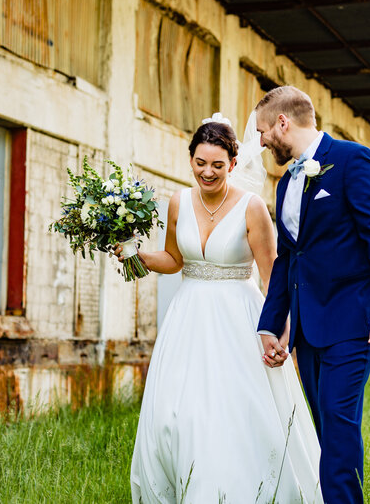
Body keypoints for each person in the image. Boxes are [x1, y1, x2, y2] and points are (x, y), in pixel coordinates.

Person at [121, 116, 322, 503]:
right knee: (177, 414)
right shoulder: (179, 201)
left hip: (238, 321)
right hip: (187, 318)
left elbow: (272, 277)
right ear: (191, 159)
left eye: (217, 165)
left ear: (233, 163)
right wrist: (136, 254)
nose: (207, 172)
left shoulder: (252, 208)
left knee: (234, 413)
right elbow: (173, 258)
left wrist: (281, 334)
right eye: (200, 163)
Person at [255, 86, 370, 504]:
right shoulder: (285, 184)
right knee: (326, 429)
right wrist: (272, 324)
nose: (262, 141)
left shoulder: (354, 160)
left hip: (351, 323)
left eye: (263, 131)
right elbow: (288, 259)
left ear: (283, 122)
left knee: (339, 426)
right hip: (307, 329)